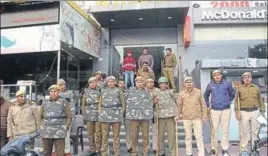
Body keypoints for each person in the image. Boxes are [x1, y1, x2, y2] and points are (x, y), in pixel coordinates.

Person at [203, 69, 235, 156]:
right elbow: (205, 95)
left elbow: (233, 93)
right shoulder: (210, 85)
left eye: (219, 74)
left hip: (226, 110)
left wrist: (228, 101)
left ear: (221, 75)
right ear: (213, 77)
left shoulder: (227, 83)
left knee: (225, 130)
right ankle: (214, 148)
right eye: (215, 75)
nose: (217, 76)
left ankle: (224, 149)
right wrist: (208, 105)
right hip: (214, 110)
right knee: (214, 130)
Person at [234, 72, 266, 156]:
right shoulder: (239, 88)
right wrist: (237, 112)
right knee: (244, 132)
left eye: (248, 77)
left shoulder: (256, 88)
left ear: (251, 78)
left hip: (255, 112)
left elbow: (260, 99)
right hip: (243, 112)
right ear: (243, 79)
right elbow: (236, 101)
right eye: (245, 77)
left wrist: (262, 110)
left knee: (255, 132)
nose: (247, 79)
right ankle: (244, 150)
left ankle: (255, 149)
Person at [39, 85, 72, 156]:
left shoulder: (64, 101)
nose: (53, 93)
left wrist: (67, 126)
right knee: (46, 153)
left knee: (60, 153)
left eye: (55, 91)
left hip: (59, 131)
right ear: (49, 93)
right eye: (51, 91)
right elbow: (40, 116)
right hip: (46, 131)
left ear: (58, 92)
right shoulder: (45, 102)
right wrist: (41, 126)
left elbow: (69, 116)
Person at [177, 77, 207, 156]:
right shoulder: (181, 94)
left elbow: (203, 105)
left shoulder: (198, 92)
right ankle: (189, 153)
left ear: (192, 83)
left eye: (190, 82)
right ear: (184, 84)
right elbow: (179, 106)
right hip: (186, 118)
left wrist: (204, 116)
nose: (189, 84)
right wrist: (178, 115)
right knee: (188, 137)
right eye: (187, 82)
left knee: (199, 137)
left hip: (197, 118)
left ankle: (201, 153)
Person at [125, 76, 155, 156]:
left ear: (143, 83)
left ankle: (145, 152)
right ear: (135, 83)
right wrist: (128, 115)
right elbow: (127, 103)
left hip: (145, 117)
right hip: (134, 117)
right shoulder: (130, 91)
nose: (139, 83)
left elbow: (150, 104)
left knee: (145, 137)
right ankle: (134, 152)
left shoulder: (148, 92)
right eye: (137, 82)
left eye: (141, 82)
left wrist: (150, 114)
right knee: (134, 137)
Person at [98, 76, 125, 156]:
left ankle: (116, 153)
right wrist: (100, 113)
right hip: (105, 116)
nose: (110, 83)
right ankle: (104, 153)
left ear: (115, 82)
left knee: (116, 137)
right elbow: (100, 103)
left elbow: (123, 104)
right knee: (104, 136)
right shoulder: (103, 91)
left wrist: (121, 114)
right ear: (107, 83)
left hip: (116, 116)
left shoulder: (119, 91)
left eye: (112, 81)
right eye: (109, 82)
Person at [155, 77, 178, 156]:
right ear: (159, 85)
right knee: (160, 136)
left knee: (171, 136)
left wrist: (176, 115)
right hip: (160, 117)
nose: (163, 85)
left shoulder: (171, 92)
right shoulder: (156, 93)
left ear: (167, 84)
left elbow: (176, 103)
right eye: (161, 84)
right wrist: (154, 102)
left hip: (170, 116)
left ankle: (173, 152)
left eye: (165, 83)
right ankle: (161, 152)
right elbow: (152, 105)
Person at [82, 77, 102, 156]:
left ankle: (98, 149)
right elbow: (83, 104)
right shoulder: (86, 92)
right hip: (89, 114)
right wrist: (84, 114)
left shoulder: (100, 91)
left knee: (98, 133)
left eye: (94, 82)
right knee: (90, 133)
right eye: (91, 82)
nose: (92, 83)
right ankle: (92, 149)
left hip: (98, 114)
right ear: (89, 84)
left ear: (96, 83)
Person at [57, 79, 73, 156]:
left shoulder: (69, 93)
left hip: (68, 117)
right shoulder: (55, 93)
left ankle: (67, 151)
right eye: (60, 85)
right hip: (58, 118)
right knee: (56, 134)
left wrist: (56, 93)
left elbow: (64, 97)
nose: (62, 86)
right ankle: (56, 151)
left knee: (66, 134)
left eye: (63, 84)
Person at [118, 78, 132, 153]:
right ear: (118, 84)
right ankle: (116, 147)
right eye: (120, 83)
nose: (122, 84)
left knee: (128, 131)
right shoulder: (114, 91)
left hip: (126, 114)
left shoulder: (128, 92)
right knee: (116, 132)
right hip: (116, 114)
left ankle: (129, 146)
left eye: (123, 83)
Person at [145, 78, 159, 154]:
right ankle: (146, 148)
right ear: (146, 83)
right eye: (148, 82)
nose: (150, 83)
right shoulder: (143, 91)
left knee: (155, 132)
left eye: (151, 82)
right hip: (145, 114)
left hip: (155, 114)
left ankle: (155, 147)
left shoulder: (158, 91)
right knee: (145, 133)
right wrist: (153, 102)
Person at [0, 79, 13, 148]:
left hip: (4, 132)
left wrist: (10, 134)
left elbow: (12, 121)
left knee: (3, 151)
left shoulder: (9, 104)